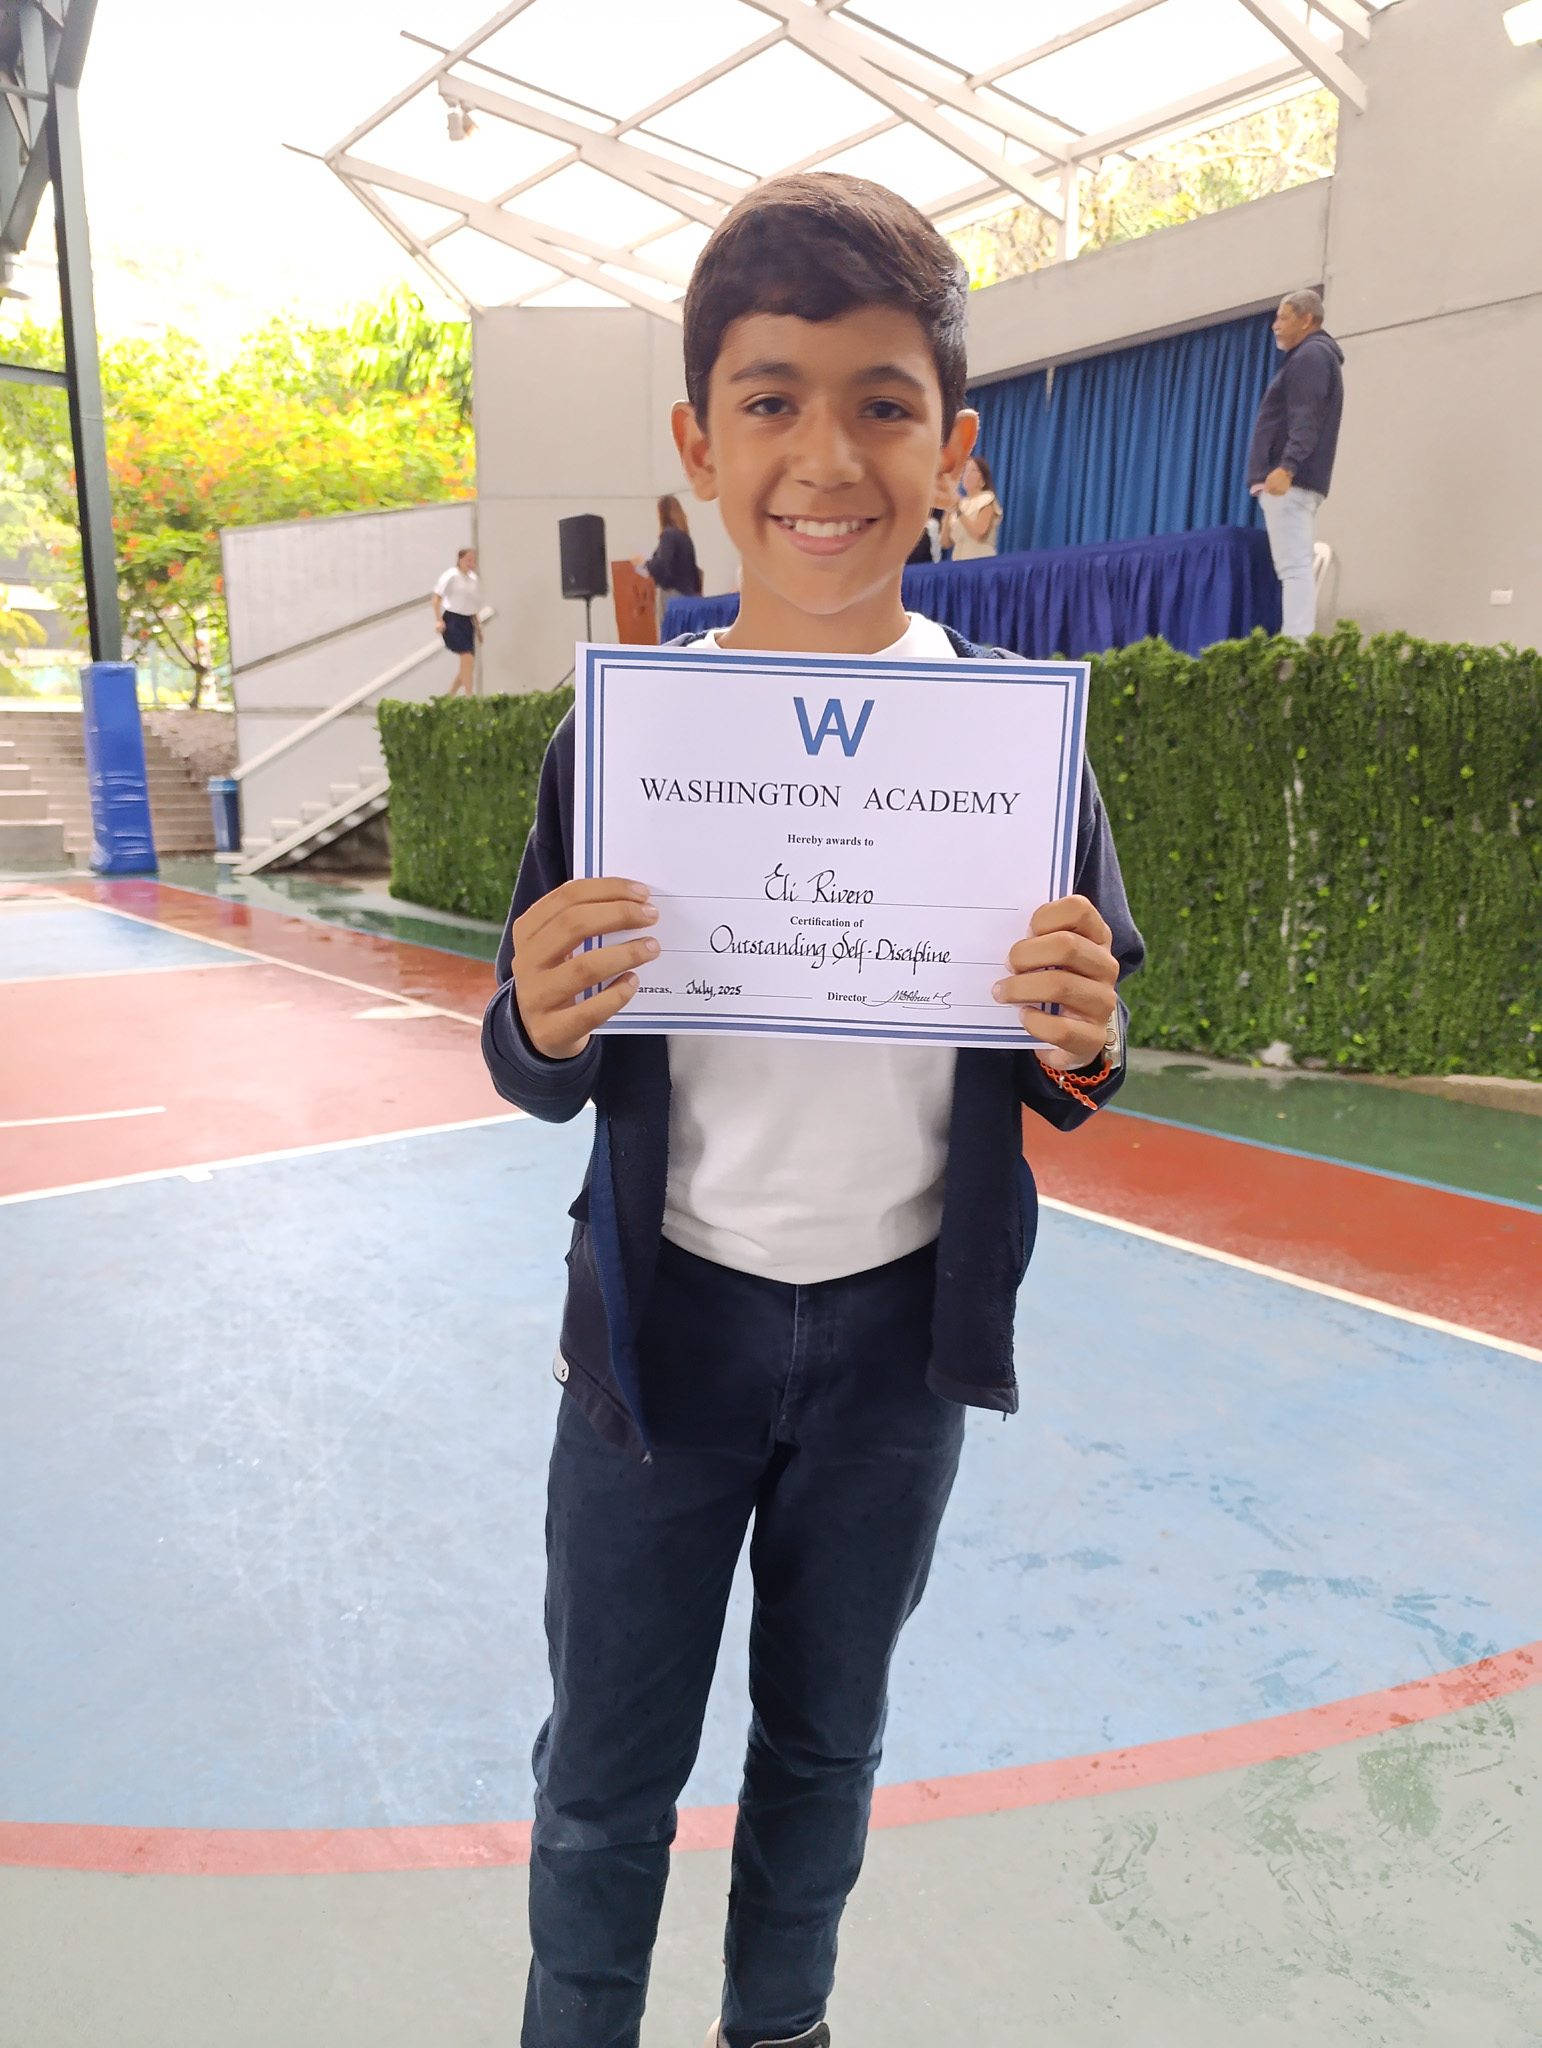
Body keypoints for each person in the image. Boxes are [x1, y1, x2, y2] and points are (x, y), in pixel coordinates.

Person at [482, 171, 1143, 2048]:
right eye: (770, 401)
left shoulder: (1017, 741)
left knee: (824, 1748)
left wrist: (1082, 1030)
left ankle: (779, 2026)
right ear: (699, 442)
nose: (826, 457)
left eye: (881, 403)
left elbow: (1082, 1052)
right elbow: (527, 1057)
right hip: (658, 1339)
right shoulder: (620, 737)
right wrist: (538, 1017)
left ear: (951, 447)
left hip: (894, 1353)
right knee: (603, 1773)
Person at [1246, 289, 1345, 638]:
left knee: (1294, 567)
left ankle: (1295, 643)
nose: (1275, 325)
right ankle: (1295, 640)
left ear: (1306, 320)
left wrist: (1287, 467)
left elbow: (1306, 418)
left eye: (1283, 318)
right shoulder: (1311, 357)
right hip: (1294, 480)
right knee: (1293, 565)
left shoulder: (1310, 357)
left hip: (1291, 481)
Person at [633, 493, 703, 634]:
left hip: (671, 595)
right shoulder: (685, 538)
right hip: (688, 596)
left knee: (670, 636)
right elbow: (695, 573)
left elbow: (662, 566)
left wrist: (645, 564)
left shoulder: (668, 535)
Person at [433, 545, 481, 695]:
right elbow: (436, 598)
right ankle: (469, 696)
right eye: (468, 560)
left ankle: (450, 696)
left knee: (468, 665)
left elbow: (472, 605)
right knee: (467, 658)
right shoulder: (451, 575)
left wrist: (478, 626)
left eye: (473, 561)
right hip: (453, 620)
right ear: (460, 559)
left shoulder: (473, 579)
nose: (471, 564)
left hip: (468, 621)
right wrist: (439, 620)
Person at [941, 452, 1002, 559]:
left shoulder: (987, 499)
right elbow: (945, 543)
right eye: (965, 471)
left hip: (980, 560)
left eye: (973, 470)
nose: (967, 475)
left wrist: (958, 511)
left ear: (983, 479)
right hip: (958, 561)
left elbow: (979, 534)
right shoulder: (961, 503)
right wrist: (948, 512)